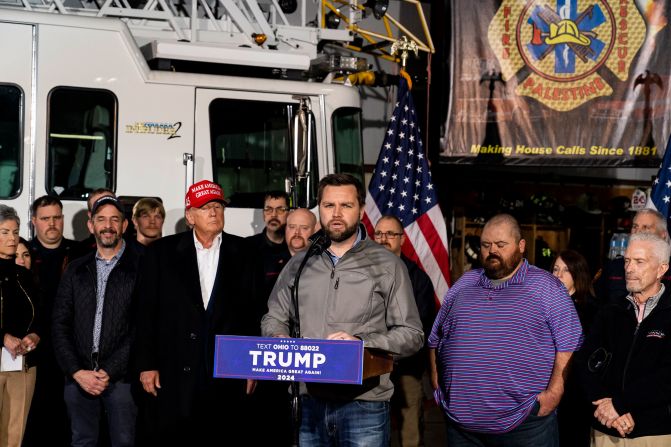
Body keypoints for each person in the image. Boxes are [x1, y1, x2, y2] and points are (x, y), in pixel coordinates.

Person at [262, 173, 424, 447]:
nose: (336, 214)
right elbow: (274, 316)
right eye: (328, 206)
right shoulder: (300, 263)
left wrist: (362, 344)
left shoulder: (386, 264)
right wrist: (278, 338)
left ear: (361, 210)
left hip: (364, 405)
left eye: (346, 206)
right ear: (319, 209)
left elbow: (412, 334)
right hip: (308, 401)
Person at [429, 213, 583, 446]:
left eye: (501, 245)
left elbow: (569, 342)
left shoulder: (546, 287)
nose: (492, 251)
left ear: (521, 246)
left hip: (524, 423)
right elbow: (435, 338)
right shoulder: (464, 284)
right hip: (461, 425)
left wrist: (554, 393)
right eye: (486, 245)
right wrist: (437, 386)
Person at [134, 180, 257, 445]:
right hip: (174, 371)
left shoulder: (245, 252)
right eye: (205, 207)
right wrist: (147, 364)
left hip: (228, 372)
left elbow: (253, 313)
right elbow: (146, 312)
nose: (213, 212)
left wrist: (251, 367)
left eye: (217, 206)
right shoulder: (161, 253)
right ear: (190, 216)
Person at [52, 196, 141, 447]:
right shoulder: (75, 269)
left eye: (115, 219)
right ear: (91, 225)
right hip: (78, 376)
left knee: (124, 442)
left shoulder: (141, 268)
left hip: (122, 379)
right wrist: (77, 371)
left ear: (125, 226)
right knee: (82, 441)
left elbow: (141, 328)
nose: (108, 225)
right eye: (101, 219)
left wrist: (109, 371)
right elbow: (60, 324)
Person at [577, 233, 671, 446]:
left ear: (661, 269)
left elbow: (666, 378)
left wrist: (619, 404)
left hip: (654, 434)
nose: (628, 268)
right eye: (627, 260)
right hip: (605, 428)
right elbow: (585, 363)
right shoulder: (610, 310)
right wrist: (607, 409)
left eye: (639, 262)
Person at [374, 215, 436, 447]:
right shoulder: (361, 273)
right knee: (371, 432)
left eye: (390, 234)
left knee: (410, 435)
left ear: (402, 239)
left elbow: (419, 327)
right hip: (370, 368)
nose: (383, 239)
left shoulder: (418, 279)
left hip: (406, 368)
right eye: (379, 234)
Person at [24, 195, 77, 447]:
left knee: (68, 418)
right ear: (34, 221)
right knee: (34, 416)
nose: (52, 223)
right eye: (45, 218)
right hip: (35, 350)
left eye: (57, 217)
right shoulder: (24, 255)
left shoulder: (78, 254)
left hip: (72, 350)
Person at [0, 205, 41, 447]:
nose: (12, 238)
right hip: (5, 351)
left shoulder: (25, 275)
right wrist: (3, 337)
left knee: (15, 433)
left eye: (15, 232)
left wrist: (35, 335)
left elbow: (41, 313)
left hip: (22, 362)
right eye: (4, 232)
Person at [551, 249, 599, 447]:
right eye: (555, 269)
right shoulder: (545, 304)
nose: (558, 275)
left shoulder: (590, 310)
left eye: (566, 270)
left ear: (578, 274)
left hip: (574, 392)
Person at [595, 208, 671, 304]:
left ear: (663, 234)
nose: (638, 231)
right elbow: (598, 305)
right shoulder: (614, 267)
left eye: (645, 227)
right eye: (635, 226)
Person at [246, 191, 292, 310]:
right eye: (268, 209)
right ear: (263, 214)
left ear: (289, 213)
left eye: (280, 209)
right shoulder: (247, 247)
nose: (273, 215)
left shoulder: (296, 248)